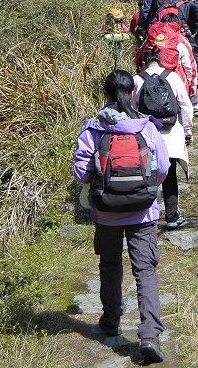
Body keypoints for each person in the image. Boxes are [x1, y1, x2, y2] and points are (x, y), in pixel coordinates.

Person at [73, 69, 169, 363]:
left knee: (110, 264)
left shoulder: (93, 128)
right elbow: (163, 169)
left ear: (105, 94)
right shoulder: (146, 127)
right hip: (143, 212)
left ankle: (111, 319)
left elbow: (81, 174)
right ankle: (150, 335)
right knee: (145, 270)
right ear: (133, 93)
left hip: (106, 211)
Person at [133, 49, 192, 230]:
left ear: (143, 64)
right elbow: (185, 105)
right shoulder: (173, 77)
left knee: (147, 174)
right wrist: (187, 131)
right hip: (171, 133)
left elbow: (132, 109)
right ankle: (172, 216)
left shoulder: (137, 80)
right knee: (169, 174)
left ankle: (147, 216)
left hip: (147, 134)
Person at [135, 13, 197, 99]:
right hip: (174, 82)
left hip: (150, 80)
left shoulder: (151, 37)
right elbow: (190, 65)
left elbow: (139, 57)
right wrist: (192, 87)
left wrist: (140, 73)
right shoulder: (180, 39)